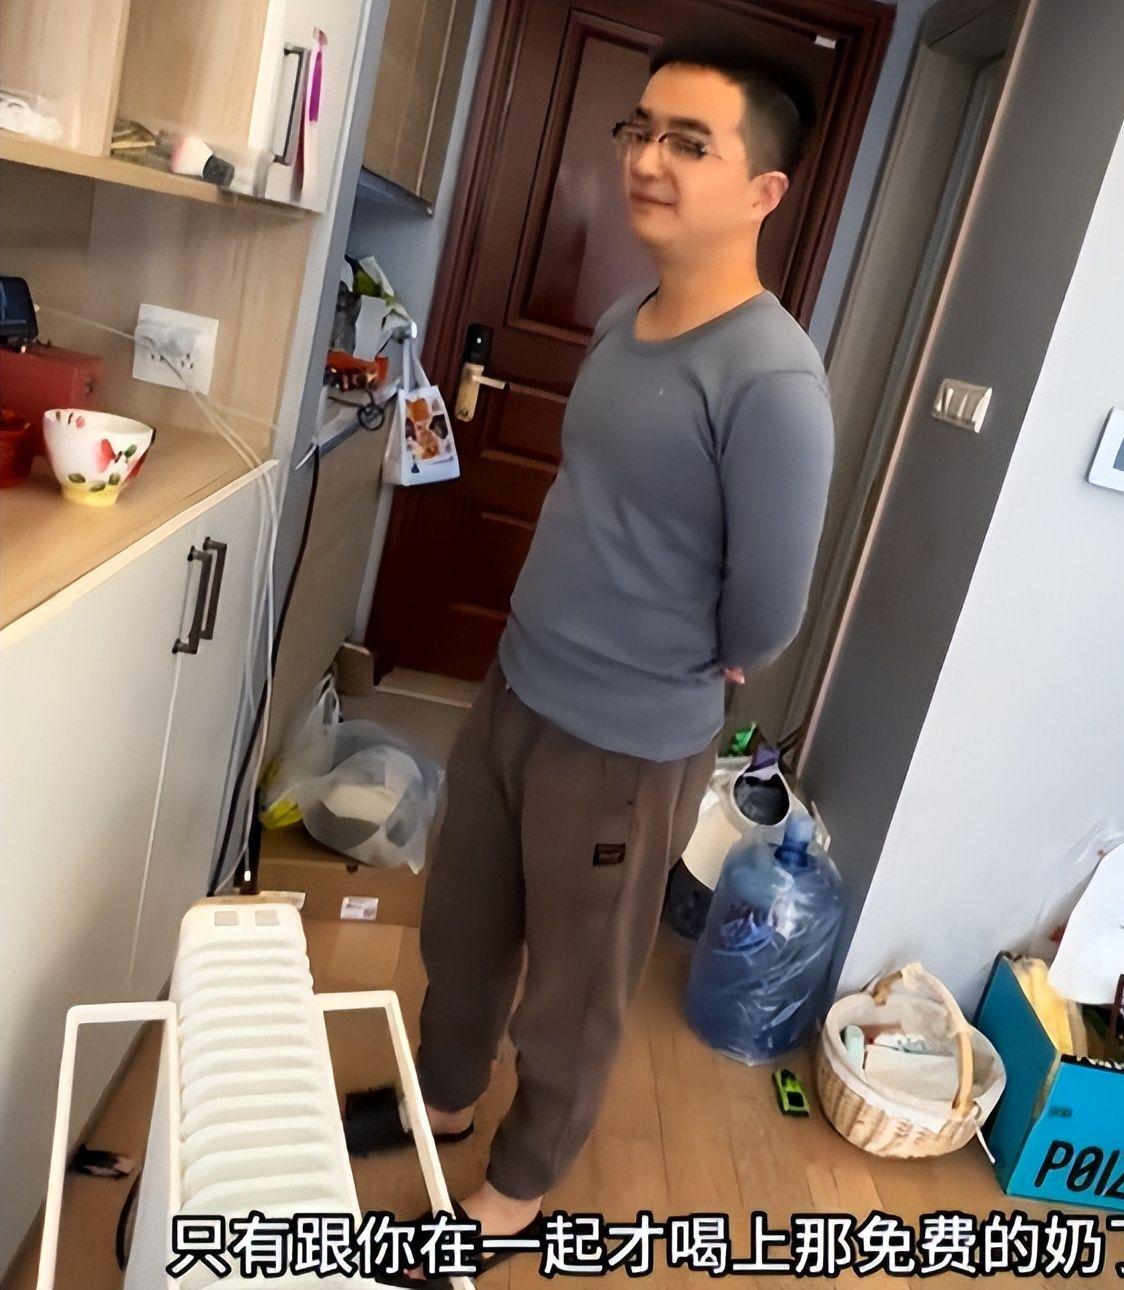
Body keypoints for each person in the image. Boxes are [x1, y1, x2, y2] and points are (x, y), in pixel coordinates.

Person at [410, 36, 834, 1279]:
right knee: (463, 923)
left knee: (575, 988)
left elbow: (769, 605)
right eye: (640, 130)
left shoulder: (772, 378)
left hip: (625, 740)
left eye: (688, 143)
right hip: (518, 682)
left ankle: (518, 1186)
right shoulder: (622, 318)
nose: (647, 159)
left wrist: (716, 653)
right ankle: (441, 1099)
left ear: (762, 191)